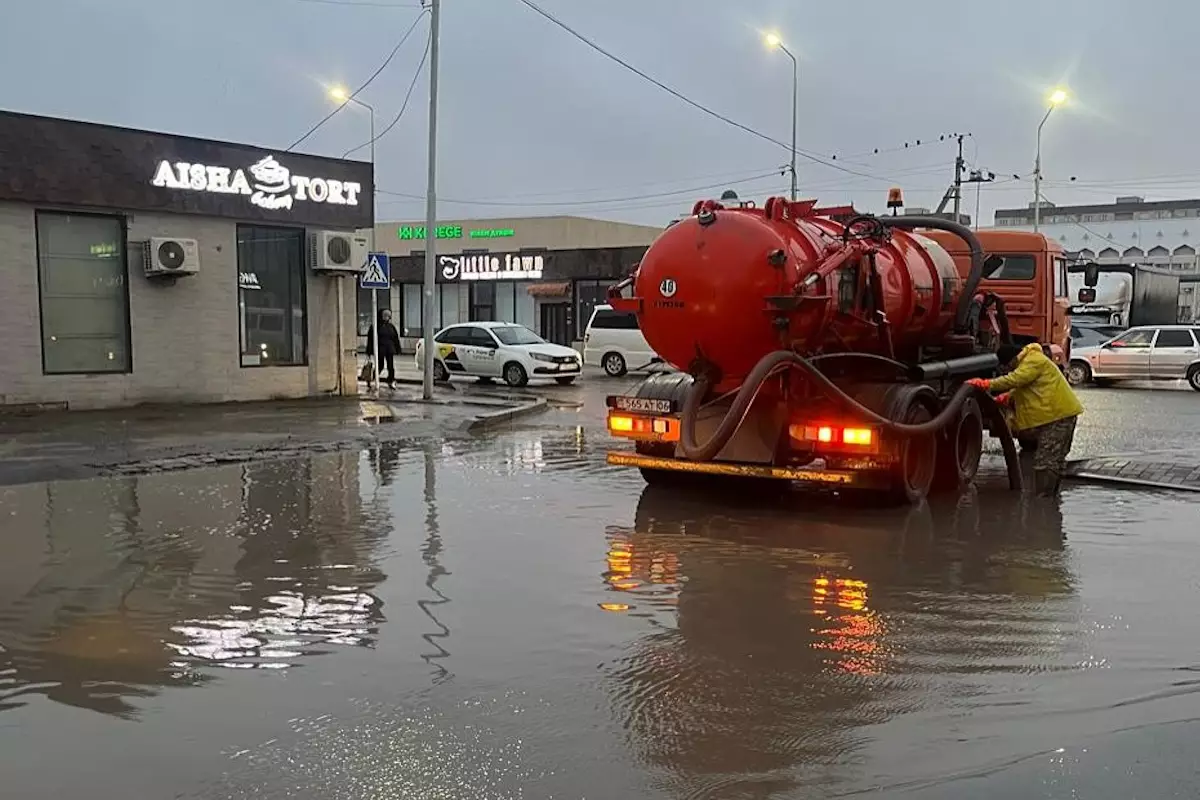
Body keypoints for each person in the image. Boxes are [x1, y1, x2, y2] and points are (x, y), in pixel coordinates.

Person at [966, 342, 1084, 497]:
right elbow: (1026, 386)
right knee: (1054, 461)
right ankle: (1050, 503)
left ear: (1012, 360)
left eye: (1008, 366)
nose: (1009, 370)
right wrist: (1008, 397)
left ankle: (1044, 502)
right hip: (1058, 415)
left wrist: (986, 384)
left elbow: (1015, 380)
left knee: (1046, 462)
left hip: (1057, 417)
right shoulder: (1031, 360)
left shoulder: (1033, 360)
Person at [366, 309, 402, 389]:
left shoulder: (391, 326)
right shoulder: (375, 326)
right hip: (380, 349)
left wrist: (398, 348)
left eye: (388, 316)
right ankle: (372, 378)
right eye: (385, 315)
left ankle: (391, 380)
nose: (387, 317)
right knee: (380, 365)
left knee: (391, 366)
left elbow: (395, 338)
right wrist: (369, 351)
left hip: (389, 349)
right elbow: (370, 339)